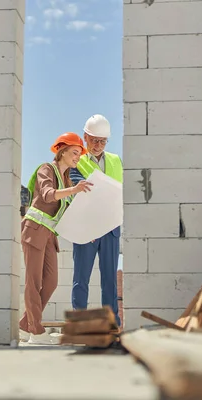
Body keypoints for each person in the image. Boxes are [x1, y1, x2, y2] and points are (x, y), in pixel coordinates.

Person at [19, 132, 93, 345]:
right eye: (74, 152)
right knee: (33, 283)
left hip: (49, 235)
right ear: (62, 151)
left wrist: (84, 233)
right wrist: (74, 189)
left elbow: (68, 211)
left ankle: (25, 326)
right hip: (34, 231)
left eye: (79, 154)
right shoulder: (46, 169)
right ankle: (36, 331)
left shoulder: (67, 178)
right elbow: (47, 194)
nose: (77, 157)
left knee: (50, 283)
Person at [69, 114, 123, 327]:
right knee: (81, 279)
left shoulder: (116, 161)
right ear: (85, 137)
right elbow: (78, 193)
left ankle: (112, 325)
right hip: (86, 230)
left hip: (110, 228)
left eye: (103, 141)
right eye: (94, 140)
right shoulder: (76, 161)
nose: (98, 145)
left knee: (109, 281)